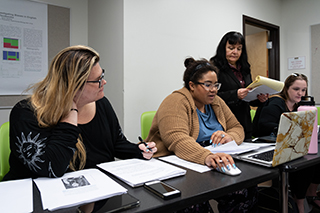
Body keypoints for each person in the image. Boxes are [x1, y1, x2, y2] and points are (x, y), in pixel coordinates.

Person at [3, 45, 157, 211]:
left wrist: (137, 150)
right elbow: (53, 168)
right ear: (74, 85)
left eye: (102, 75)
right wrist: (71, 112)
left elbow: (116, 143)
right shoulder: (26, 113)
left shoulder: (101, 104)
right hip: (36, 202)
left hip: (93, 194)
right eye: (98, 80)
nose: (104, 82)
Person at [147, 57, 258, 212]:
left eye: (216, 85)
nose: (213, 89)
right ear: (192, 85)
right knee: (195, 204)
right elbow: (177, 139)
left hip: (208, 165)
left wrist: (229, 136)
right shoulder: (175, 101)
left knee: (245, 189)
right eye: (207, 85)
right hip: (178, 165)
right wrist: (206, 156)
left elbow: (237, 127)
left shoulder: (216, 102)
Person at [253, 73, 320, 212]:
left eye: (303, 90)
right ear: (286, 88)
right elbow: (264, 126)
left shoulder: (298, 106)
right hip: (264, 145)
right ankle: (299, 201)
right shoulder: (276, 102)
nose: (300, 93)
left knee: (315, 159)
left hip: (287, 145)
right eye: (296, 89)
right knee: (304, 163)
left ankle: (310, 193)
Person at [210, 31, 268, 139]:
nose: (235, 52)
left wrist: (259, 99)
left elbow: (248, 96)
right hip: (224, 123)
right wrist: (235, 95)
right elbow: (210, 96)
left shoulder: (245, 68)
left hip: (245, 123)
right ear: (223, 48)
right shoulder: (214, 68)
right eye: (231, 48)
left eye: (239, 49)